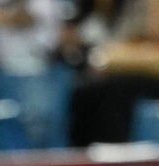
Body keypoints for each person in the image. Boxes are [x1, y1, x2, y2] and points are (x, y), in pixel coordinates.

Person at [68, 0, 159, 144]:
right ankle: (82, 156)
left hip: (151, 77)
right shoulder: (133, 9)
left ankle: (113, 153)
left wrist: (114, 60)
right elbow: (127, 42)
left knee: (115, 89)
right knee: (85, 89)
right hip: (140, 73)